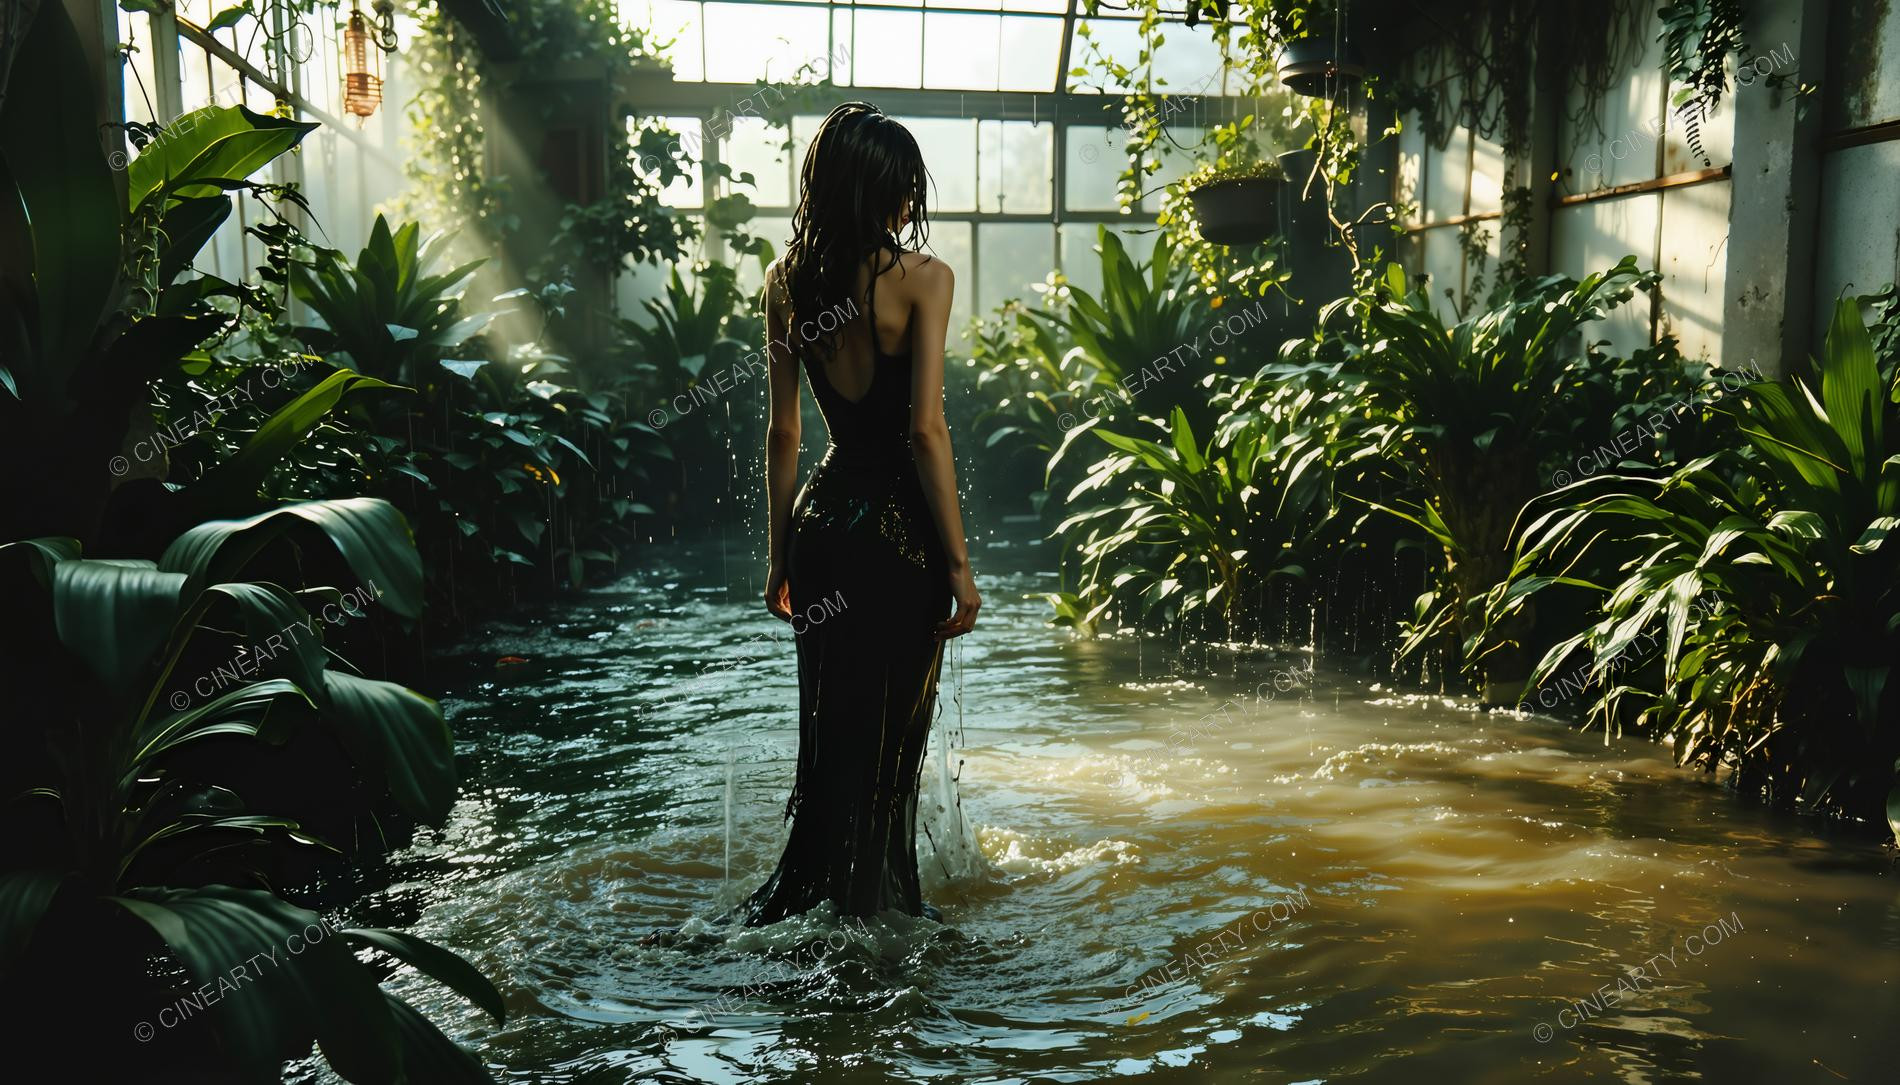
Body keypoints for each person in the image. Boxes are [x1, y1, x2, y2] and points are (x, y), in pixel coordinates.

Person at [740, 101, 980, 926]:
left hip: (821, 529)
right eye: (906, 189)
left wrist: (778, 558)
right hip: (900, 538)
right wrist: (958, 566)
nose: (913, 205)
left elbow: (784, 434)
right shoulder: (924, 279)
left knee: (831, 725)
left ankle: (818, 896)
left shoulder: (786, 285)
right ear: (882, 190)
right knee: (893, 740)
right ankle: (880, 912)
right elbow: (924, 430)